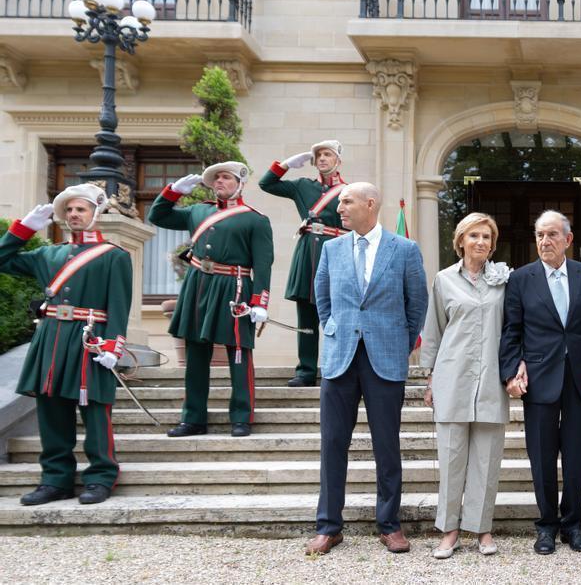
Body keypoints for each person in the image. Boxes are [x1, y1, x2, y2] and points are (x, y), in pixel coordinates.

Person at [305, 182, 427, 556]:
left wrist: (399, 344)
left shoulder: (404, 250)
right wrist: (336, 331)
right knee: (332, 445)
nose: (339, 208)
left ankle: (389, 525)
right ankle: (329, 527)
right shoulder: (331, 249)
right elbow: (322, 300)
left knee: (387, 447)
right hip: (340, 359)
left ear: (370, 204)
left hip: (385, 359)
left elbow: (416, 305)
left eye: (346, 201)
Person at [0, 185, 131, 506]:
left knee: (95, 410)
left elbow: (119, 304)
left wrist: (113, 346)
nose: (74, 215)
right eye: (69, 210)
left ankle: (101, 476)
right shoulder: (48, 253)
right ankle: (55, 480)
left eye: (81, 209)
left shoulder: (114, 255)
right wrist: (23, 229)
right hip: (51, 338)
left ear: (95, 214)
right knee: (51, 409)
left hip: (90, 338)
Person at [499, 210, 581, 556]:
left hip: (579, 380)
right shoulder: (521, 279)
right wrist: (510, 371)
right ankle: (546, 526)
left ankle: (573, 525)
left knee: (575, 456)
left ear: (568, 240)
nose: (545, 242)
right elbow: (511, 330)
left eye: (552, 235)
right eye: (540, 235)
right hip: (539, 380)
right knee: (542, 458)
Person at [149, 162, 273, 438]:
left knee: (238, 353)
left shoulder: (255, 219)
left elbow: (263, 265)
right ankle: (193, 419)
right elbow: (158, 217)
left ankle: (242, 417)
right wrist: (172, 192)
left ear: (240, 183)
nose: (219, 181)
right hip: (197, 285)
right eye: (216, 178)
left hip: (235, 286)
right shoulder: (199, 211)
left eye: (225, 177)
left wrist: (260, 302)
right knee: (195, 354)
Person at [420, 212, 511, 558]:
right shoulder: (444, 281)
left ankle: (482, 529)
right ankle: (449, 530)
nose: (481, 242)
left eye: (487, 237)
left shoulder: (503, 281)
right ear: (460, 241)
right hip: (451, 378)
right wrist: (428, 377)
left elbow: (512, 328)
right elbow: (434, 330)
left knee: (487, 462)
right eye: (474, 236)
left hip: (490, 381)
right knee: (452, 459)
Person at [259, 139, 349, 387]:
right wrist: (286, 165)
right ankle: (306, 371)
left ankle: (338, 367)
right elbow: (266, 184)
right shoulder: (302, 186)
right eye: (318, 155)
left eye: (327, 154)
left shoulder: (351, 191)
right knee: (306, 316)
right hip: (308, 254)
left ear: (338, 160)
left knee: (339, 316)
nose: (321, 158)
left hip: (337, 255)